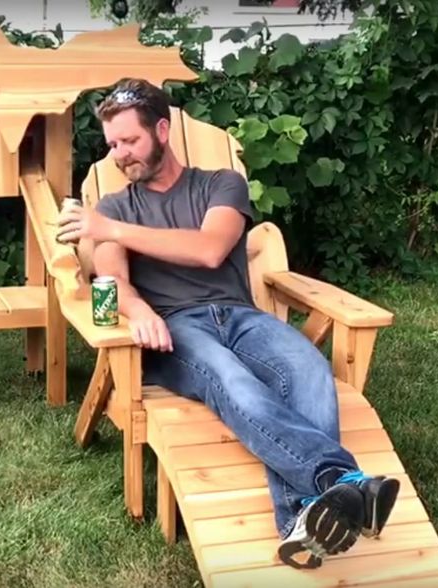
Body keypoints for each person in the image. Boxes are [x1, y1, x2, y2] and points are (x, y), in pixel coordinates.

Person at [56, 78, 400, 570]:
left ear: (161, 128)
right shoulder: (115, 205)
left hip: (240, 317)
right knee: (231, 379)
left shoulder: (221, 184)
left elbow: (209, 248)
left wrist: (107, 229)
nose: (120, 156)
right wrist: (140, 311)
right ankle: (339, 482)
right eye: (112, 145)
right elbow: (116, 282)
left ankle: (303, 521)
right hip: (175, 330)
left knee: (307, 369)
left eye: (129, 141)